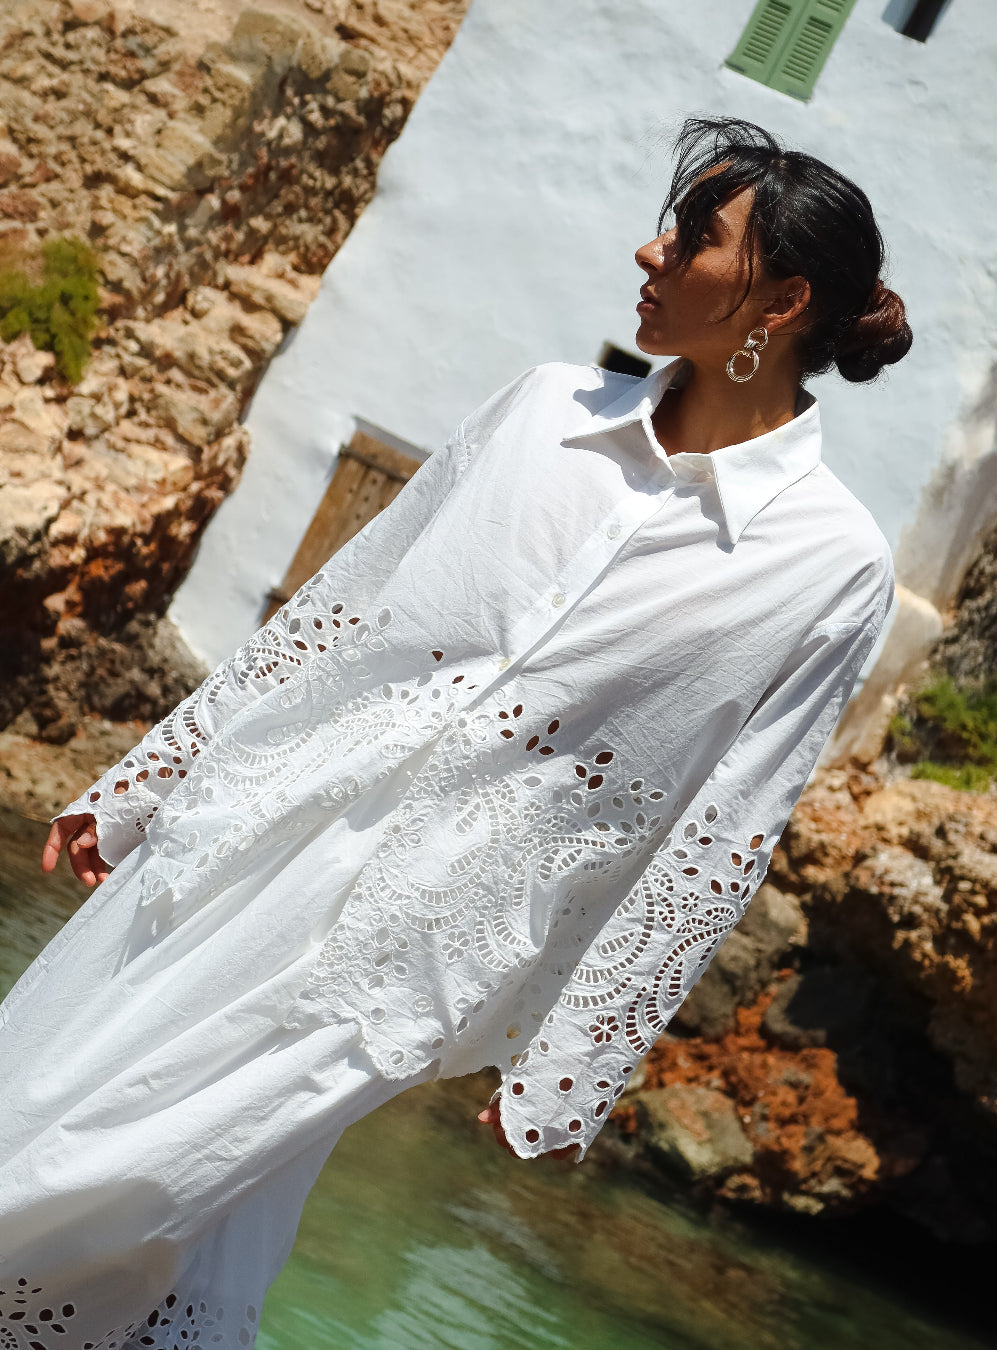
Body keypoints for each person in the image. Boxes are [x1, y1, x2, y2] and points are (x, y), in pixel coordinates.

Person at [1, 116, 910, 1348]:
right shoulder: (543, 409)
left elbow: (728, 826)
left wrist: (582, 1050)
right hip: (242, 837)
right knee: (69, 1136)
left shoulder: (832, 563)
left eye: (695, 238)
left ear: (783, 298)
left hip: (414, 951)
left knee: (112, 1187)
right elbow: (341, 605)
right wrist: (149, 780)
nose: (650, 251)